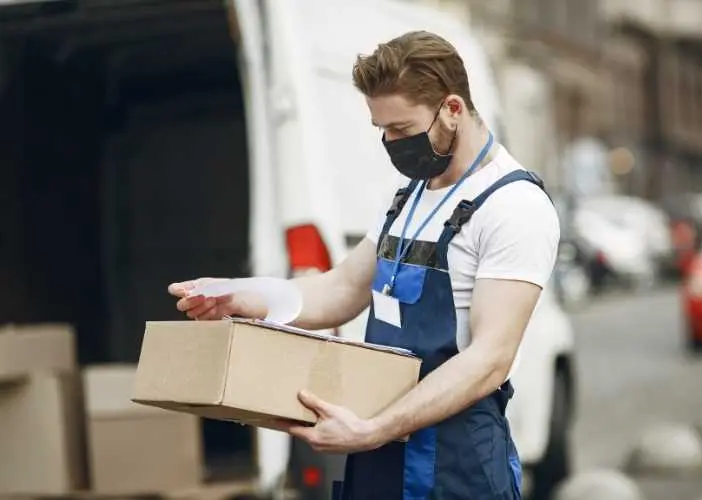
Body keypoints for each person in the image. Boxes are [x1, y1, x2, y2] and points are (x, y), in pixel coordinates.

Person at [169, 31, 560, 500]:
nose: (391, 144)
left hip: (454, 465)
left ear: (453, 109)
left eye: (401, 129)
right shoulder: (411, 196)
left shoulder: (514, 206)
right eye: (382, 131)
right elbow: (341, 290)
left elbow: (488, 360)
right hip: (379, 446)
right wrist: (240, 295)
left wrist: (375, 429)